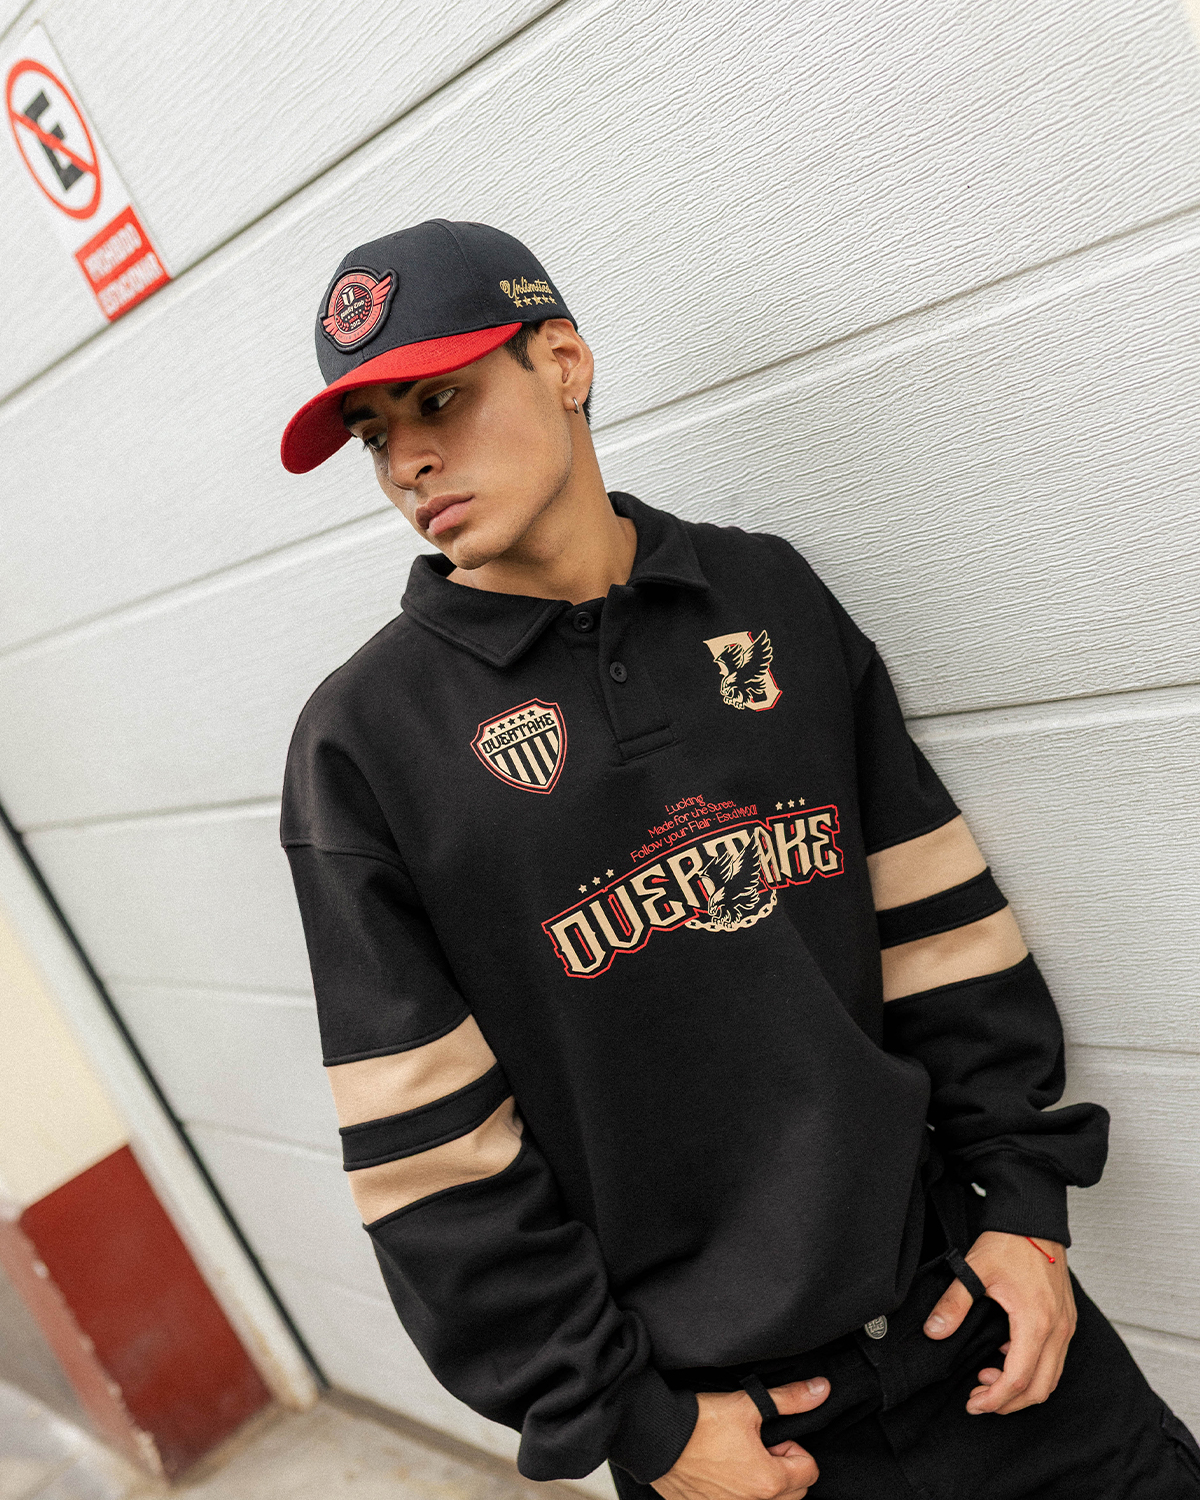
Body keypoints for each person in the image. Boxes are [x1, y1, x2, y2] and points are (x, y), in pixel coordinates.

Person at [277, 220, 1200, 1499]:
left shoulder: (765, 595)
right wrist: (636, 1426)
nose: (408, 460)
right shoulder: (365, 745)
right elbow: (428, 1152)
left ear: (563, 361)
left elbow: (937, 927)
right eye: (375, 433)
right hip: (746, 1437)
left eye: (440, 398)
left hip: (978, 1328)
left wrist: (1024, 1208)